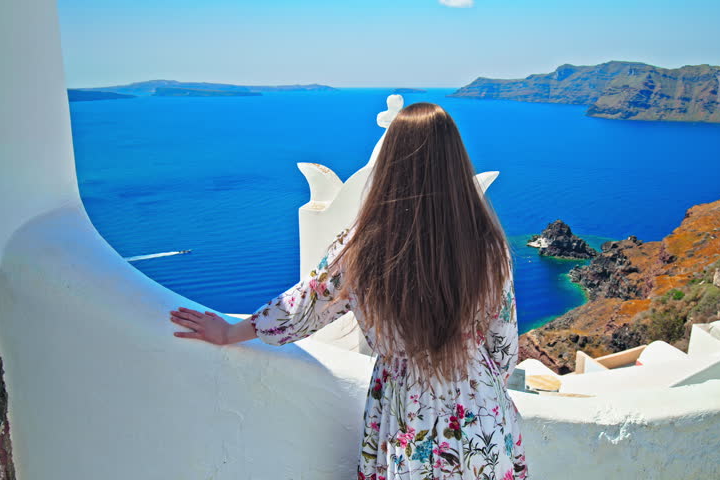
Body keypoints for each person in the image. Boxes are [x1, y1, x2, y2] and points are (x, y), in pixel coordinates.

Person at [169, 102, 529, 480]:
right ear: (456, 162)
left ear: (392, 164)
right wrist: (482, 387)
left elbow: (305, 306)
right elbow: (503, 344)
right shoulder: (489, 244)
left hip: (407, 409)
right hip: (480, 407)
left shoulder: (367, 244)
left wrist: (230, 332)